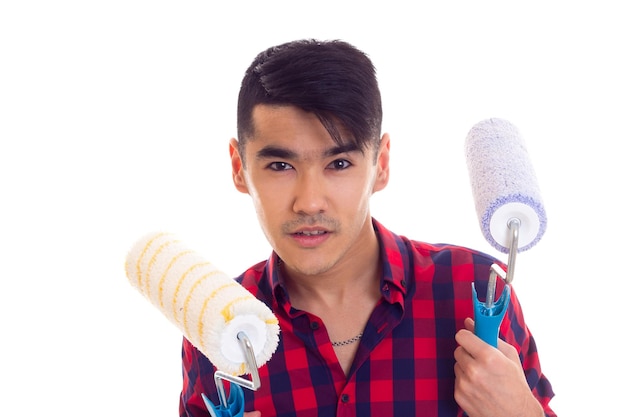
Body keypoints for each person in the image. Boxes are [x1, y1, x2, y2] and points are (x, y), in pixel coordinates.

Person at [179, 39, 556, 417]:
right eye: (280, 165)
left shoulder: (473, 287)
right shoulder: (215, 328)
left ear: (382, 163)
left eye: (339, 163)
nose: (309, 202)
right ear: (238, 167)